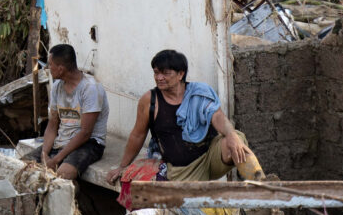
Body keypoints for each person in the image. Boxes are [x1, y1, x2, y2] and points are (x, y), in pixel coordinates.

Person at [107, 49, 264, 185]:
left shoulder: (199, 93)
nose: (159, 77)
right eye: (156, 72)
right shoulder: (149, 100)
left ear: (180, 74)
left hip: (208, 160)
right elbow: (138, 134)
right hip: (179, 172)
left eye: (165, 73)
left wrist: (231, 135)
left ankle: (261, 184)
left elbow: (218, 117)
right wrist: (123, 166)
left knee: (237, 138)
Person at [28, 44, 109, 180]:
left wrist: (56, 159)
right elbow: (53, 124)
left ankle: (75, 197)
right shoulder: (56, 87)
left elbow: (85, 133)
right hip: (62, 141)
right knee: (23, 166)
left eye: (50, 64)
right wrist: (44, 154)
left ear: (61, 69)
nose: (48, 68)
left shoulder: (90, 89)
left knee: (63, 174)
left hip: (90, 143)